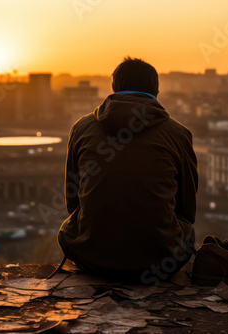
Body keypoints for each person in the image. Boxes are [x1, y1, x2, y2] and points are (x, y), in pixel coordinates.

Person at [57, 57, 197, 281]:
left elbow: (72, 202)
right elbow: (187, 210)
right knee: (187, 232)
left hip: (91, 259)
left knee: (67, 229)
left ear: (114, 88)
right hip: (161, 264)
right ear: (157, 91)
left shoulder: (81, 128)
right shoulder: (178, 134)